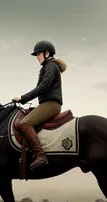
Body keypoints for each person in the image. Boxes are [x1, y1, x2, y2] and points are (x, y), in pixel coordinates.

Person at [12, 40, 67, 170]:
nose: (37, 57)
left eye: (38, 54)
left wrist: (22, 98)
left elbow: (43, 86)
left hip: (51, 104)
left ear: (47, 53)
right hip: (46, 103)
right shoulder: (47, 66)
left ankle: (40, 156)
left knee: (24, 123)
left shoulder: (51, 66)